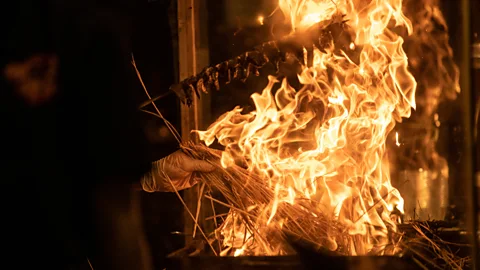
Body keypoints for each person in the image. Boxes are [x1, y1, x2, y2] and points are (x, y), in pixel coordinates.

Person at [1, 0, 213, 269]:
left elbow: (78, 168)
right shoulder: (86, 33)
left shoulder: (76, 30)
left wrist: (152, 176)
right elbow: (114, 208)